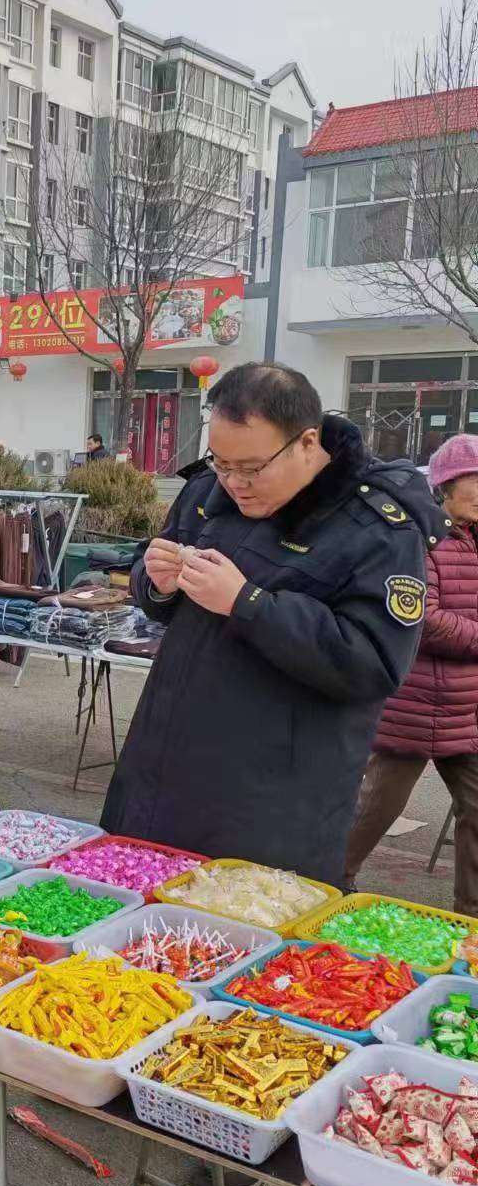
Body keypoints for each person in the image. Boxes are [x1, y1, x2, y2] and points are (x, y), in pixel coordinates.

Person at [101, 361, 443, 885]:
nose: (236, 482)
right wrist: (157, 581)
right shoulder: (207, 494)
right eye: (222, 463)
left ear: (307, 442)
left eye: (252, 468)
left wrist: (248, 602)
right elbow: (158, 597)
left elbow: (373, 663)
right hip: (161, 771)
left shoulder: (376, 528)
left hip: (269, 805)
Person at [345, 433, 478, 913]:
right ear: (445, 484)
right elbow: (421, 616)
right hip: (416, 701)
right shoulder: (422, 535)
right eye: (476, 480)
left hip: (468, 707)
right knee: (377, 806)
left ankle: (471, 916)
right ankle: (330, 879)